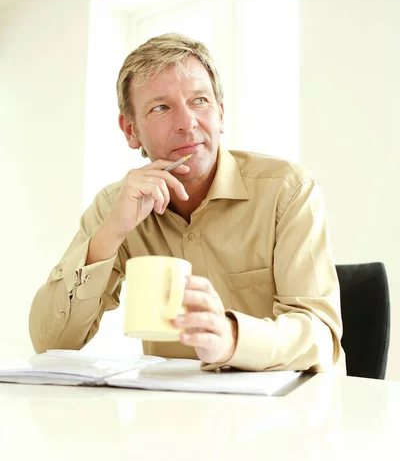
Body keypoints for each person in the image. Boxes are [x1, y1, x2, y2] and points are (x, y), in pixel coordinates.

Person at [29, 33, 346, 374]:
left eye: (199, 101)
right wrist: (110, 235)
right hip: (172, 415)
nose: (187, 122)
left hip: (285, 414)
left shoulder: (288, 190)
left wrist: (232, 337)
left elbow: (320, 336)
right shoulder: (115, 205)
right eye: (161, 107)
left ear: (220, 115)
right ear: (130, 130)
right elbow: (50, 343)